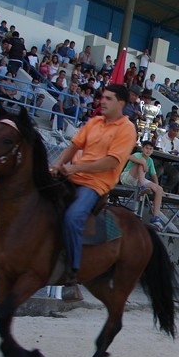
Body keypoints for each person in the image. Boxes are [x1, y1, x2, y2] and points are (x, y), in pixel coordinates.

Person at [49, 84, 137, 302]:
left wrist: (76, 168)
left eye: (108, 98)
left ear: (121, 104)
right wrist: (56, 164)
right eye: (102, 98)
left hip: (95, 184)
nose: (102, 101)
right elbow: (73, 146)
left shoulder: (126, 129)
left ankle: (72, 274)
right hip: (72, 176)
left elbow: (110, 162)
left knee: (73, 217)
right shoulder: (94, 122)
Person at [120, 139, 164, 227]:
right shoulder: (138, 154)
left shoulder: (150, 161)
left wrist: (156, 187)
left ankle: (156, 217)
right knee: (142, 161)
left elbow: (154, 175)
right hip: (127, 177)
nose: (148, 150)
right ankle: (142, 187)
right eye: (146, 148)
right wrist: (143, 163)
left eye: (150, 149)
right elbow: (128, 157)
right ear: (142, 149)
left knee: (159, 189)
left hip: (140, 180)